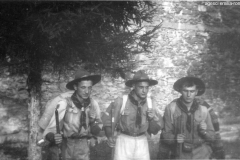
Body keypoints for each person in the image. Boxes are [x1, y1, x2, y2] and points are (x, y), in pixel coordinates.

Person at [39, 68, 102, 160]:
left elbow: (97, 128)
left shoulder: (93, 104)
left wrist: (93, 124)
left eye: (89, 88)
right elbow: (50, 131)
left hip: (85, 147)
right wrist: (54, 137)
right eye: (83, 87)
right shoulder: (65, 104)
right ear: (75, 87)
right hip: (67, 146)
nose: (87, 91)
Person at [102, 70, 163, 160]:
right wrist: (110, 136)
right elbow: (108, 121)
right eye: (141, 87)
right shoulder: (122, 101)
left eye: (147, 87)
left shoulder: (150, 103)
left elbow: (155, 130)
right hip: (124, 140)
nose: (144, 91)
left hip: (142, 141)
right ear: (133, 86)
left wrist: (153, 118)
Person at [161, 77, 216, 159]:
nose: (188, 95)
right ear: (180, 91)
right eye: (185, 91)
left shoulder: (203, 110)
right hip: (180, 154)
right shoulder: (171, 109)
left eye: (192, 91)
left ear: (196, 92)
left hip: (201, 154)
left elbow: (212, 137)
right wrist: (175, 138)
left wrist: (204, 132)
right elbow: (165, 135)